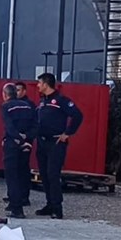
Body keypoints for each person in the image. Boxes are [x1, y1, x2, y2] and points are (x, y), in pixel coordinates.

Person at [35, 73, 84, 219]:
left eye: (39, 83)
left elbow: (77, 115)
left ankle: (57, 207)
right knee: (44, 174)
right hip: (42, 142)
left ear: (46, 84)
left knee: (53, 174)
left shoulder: (61, 100)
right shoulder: (43, 101)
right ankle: (49, 204)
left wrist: (68, 133)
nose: (37, 86)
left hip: (55, 143)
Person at [0, 83, 37, 218]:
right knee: (23, 171)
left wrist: (17, 137)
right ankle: (22, 198)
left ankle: (16, 208)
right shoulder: (28, 106)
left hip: (12, 143)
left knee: (12, 175)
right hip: (26, 142)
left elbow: (9, 126)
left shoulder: (5, 106)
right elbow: (35, 125)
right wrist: (26, 137)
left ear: (5, 94)